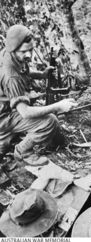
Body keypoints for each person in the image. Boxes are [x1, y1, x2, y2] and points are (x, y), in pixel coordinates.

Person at [0, 24, 77, 165]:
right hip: (4, 117)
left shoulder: (9, 54)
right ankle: (23, 152)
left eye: (30, 50)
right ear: (14, 49)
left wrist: (41, 75)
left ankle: (7, 137)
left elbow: (23, 71)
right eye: (24, 52)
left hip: (6, 107)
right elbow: (25, 112)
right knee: (50, 121)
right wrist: (58, 106)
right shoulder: (10, 75)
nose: (29, 55)